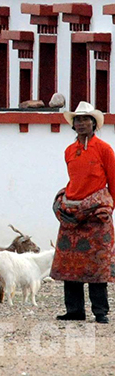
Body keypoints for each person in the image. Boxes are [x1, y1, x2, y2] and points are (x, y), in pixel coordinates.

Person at [52, 101, 115, 324]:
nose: (81, 123)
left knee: (97, 265)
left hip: (96, 216)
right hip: (71, 214)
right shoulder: (69, 151)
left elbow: (113, 181)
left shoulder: (104, 149)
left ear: (93, 123)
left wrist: (108, 208)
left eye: (85, 119)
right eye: (77, 120)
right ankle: (74, 310)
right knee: (70, 265)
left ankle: (100, 311)